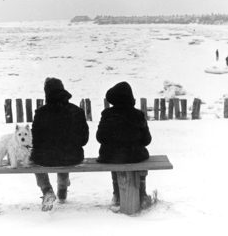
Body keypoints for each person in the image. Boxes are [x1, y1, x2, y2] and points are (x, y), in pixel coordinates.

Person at [30, 77, 89, 211]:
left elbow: (35, 141)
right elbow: (84, 140)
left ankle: (46, 190)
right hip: (72, 157)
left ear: (47, 92)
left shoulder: (40, 113)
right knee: (64, 152)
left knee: (35, 158)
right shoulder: (77, 111)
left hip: (45, 158)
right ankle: (62, 187)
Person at [96, 82, 152, 209]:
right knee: (140, 158)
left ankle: (117, 195)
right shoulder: (138, 115)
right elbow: (146, 140)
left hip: (110, 156)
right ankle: (142, 194)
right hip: (134, 155)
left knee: (115, 158)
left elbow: (100, 137)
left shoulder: (107, 114)